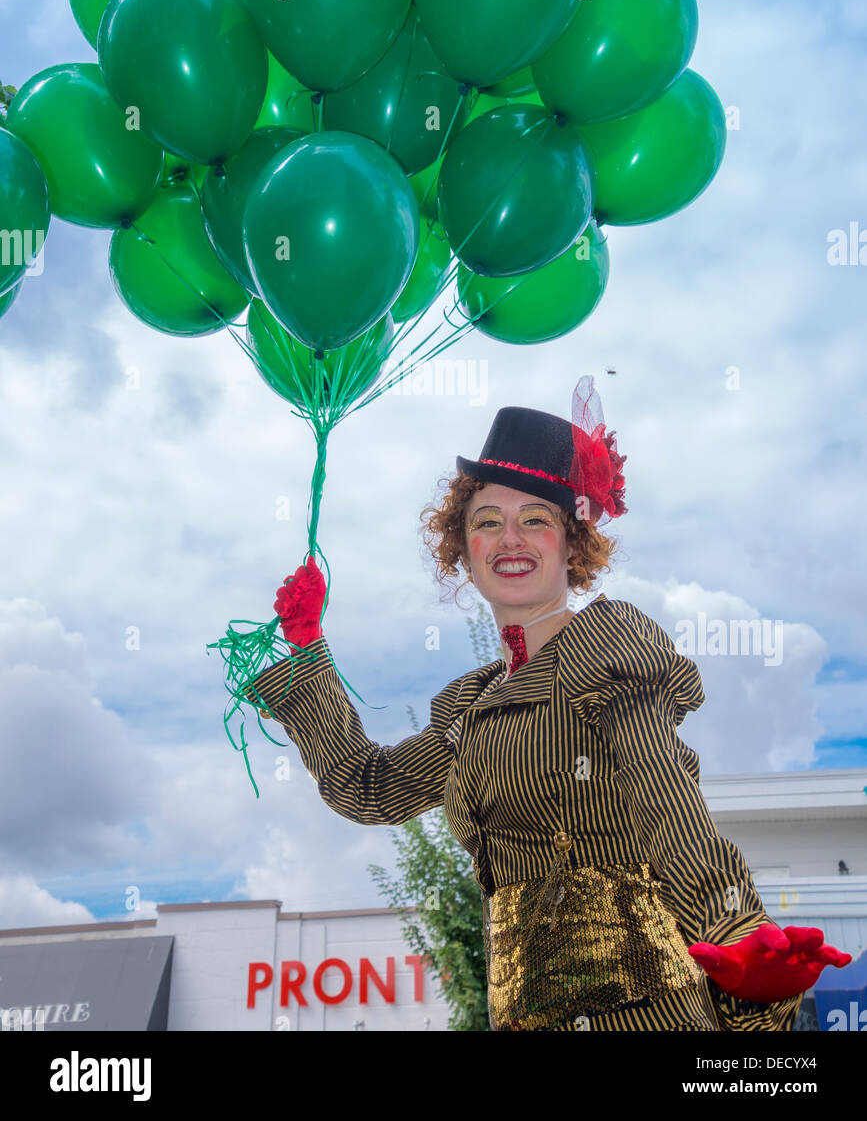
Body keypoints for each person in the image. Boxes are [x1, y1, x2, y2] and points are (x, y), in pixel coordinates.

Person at [245, 377, 850, 1031]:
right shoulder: (470, 709)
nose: (510, 537)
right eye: (486, 522)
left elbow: (663, 795)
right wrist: (307, 649)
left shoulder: (606, 646)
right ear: (463, 551)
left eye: (535, 518)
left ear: (571, 544)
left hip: (642, 1013)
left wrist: (733, 930)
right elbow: (368, 789)